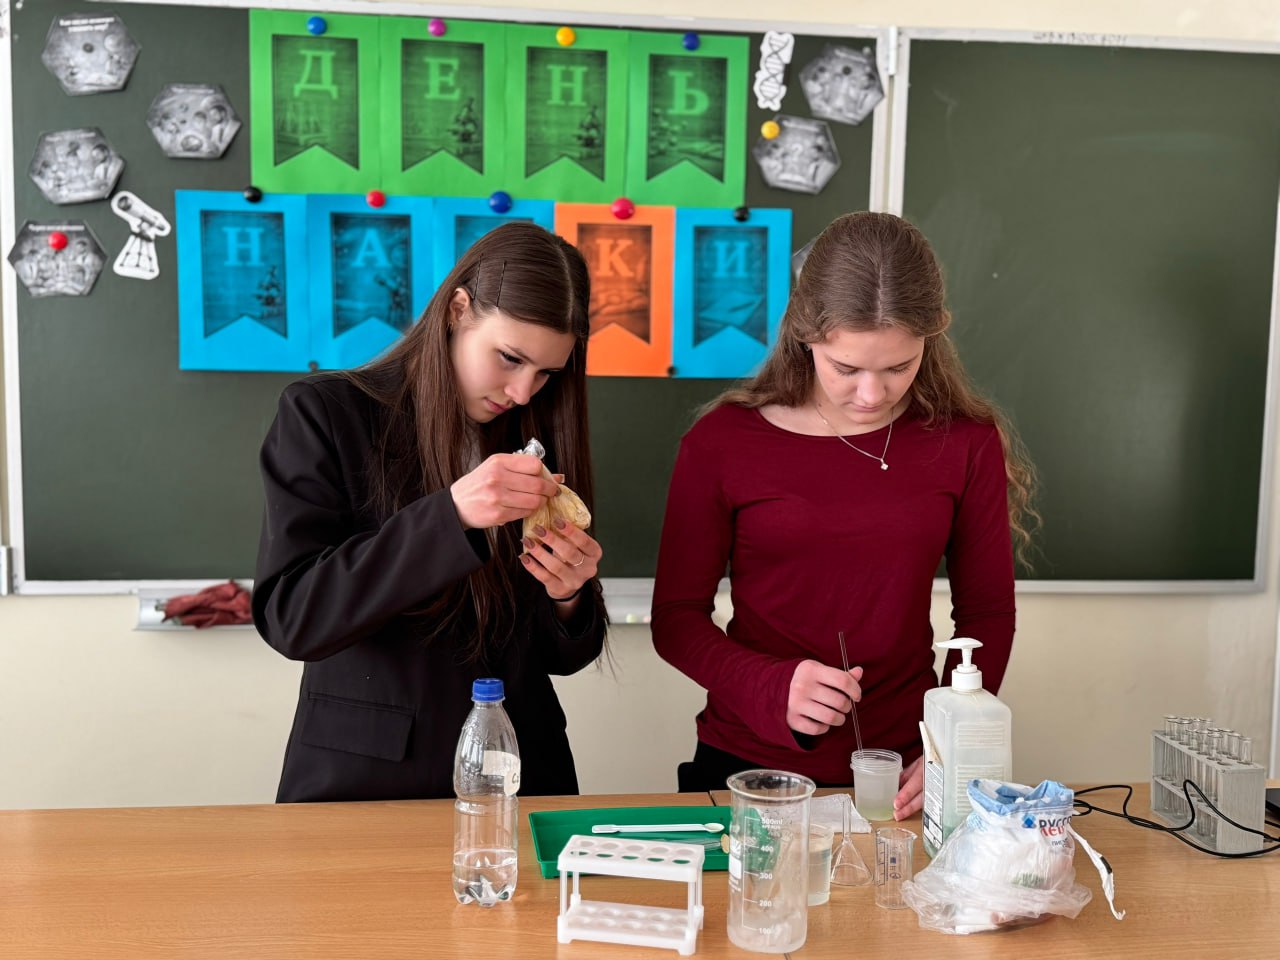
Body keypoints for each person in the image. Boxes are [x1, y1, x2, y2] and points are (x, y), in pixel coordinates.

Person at [651, 212, 1036, 818]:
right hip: (747, 768)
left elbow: (986, 613)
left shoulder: (965, 442)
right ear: (805, 336)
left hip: (905, 772)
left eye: (899, 367)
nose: (871, 395)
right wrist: (770, 685)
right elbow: (675, 619)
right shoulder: (722, 442)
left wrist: (950, 745)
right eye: (846, 368)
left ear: (930, 340)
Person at [253, 221, 608, 803]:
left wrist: (568, 595)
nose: (523, 391)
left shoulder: (539, 432)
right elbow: (293, 617)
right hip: (367, 785)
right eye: (510, 358)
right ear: (457, 310)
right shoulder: (326, 414)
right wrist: (451, 516)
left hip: (522, 776)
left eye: (546, 372)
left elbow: (559, 657)